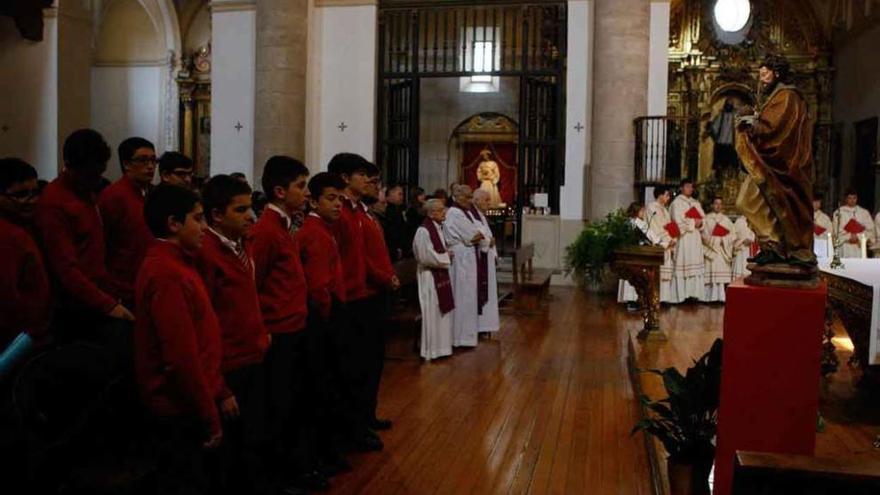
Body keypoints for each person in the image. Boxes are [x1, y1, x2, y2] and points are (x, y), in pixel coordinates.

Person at [135, 184, 228, 493]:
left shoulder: (178, 262)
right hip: (178, 406)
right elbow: (180, 356)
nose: (205, 227)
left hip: (190, 400)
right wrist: (207, 412)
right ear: (174, 224)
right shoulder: (166, 272)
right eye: (198, 219)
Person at [251, 157, 333, 491]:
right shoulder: (267, 230)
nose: (305, 192)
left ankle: (298, 467)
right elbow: (255, 285)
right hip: (279, 333)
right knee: (281, 406)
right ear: (279, 191)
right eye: (301, 186)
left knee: (296, 401)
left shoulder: (284, 225)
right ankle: (282, 475)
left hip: (295, 326)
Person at [196, 175, 272, 493]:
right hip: (228, 365)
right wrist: (220, 387)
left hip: (253, 354)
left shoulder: (244, 243)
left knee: (252, 441)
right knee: (229, 454)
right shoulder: (206, 254)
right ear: (216, 215)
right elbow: (205, 325)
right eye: (241, 210)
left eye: (251, 208)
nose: (251, 216)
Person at [35, 129, 133, 341]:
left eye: (100, 172)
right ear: (71, 166)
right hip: (76, 307)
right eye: (91, 174)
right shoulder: (54, 203)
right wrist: (107, 305)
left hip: (99, 295)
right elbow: (66, 269)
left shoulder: (88, 192)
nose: (98, 179)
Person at [295, 172, 364, 465]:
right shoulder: (313, 232)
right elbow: (318, 285)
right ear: (313, 200)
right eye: (331, 198)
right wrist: (328, 316)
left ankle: (331, 447)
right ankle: (323, 452)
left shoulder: (324, 229)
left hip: (331, 313)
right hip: (323, 320)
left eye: (340, 198)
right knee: (323, 388)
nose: (338, 204)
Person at [326, 153, 385, 452]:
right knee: (353, 369)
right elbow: (347, 258)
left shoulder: (359, 211)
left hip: (367, 294)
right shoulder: (342, 213)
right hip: (351, 298)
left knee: (369, 365)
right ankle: (354, 428)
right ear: (346, 178)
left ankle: (363, 419)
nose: (369, 181)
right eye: (362, 175)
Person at [735, 54, 815, 270]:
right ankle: (772, 245)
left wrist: (752, 124)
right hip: (769, 163)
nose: (762, 73)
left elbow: (775, 130)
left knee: (747, 201)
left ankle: (776, 246)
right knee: (749, 202)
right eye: (761, 69)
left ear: (777, 73)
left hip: (782, 165)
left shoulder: (787, 96)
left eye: (767, 69)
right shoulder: (775, 97)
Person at [0, 158, 51, 377]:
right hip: (17, 344)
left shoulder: (25, 226)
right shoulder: (9, 237)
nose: (31, 201)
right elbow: (8, 299)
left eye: (35, 192)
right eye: (21, 195)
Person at [98, 137, 156, 309]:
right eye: (143, 160)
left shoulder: (150, 194)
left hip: (145, 282)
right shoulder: (113, 196)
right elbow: (103, 243)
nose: (151, 166)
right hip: (122, 287)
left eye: (153, 160)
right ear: (127, 164)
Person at [362, 166, 399, 432]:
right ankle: (358, 422)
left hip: (376, 293)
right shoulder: (354, 217)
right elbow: (359, 258)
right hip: (362, 296)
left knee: (373, 365)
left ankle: (367, 415)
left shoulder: (367, 216)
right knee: (362, 367)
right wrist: (385, 277)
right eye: (372, 182)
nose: (378, 189)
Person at [443, 184, 485, 347]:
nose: (470, 201)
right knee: (462, 296)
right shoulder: (455, 213)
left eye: (470, 197)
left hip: (466, 256)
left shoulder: (462, 212)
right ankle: (460, 337)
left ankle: (466, 336)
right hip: (461, 258)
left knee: (467, 297)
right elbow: (474, 235)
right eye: (467, 197)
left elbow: (477, 235)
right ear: (457, 197)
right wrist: (475, 235)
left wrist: (476, 235)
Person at [413, 199, 455, 360]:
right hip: (429, 276)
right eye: (440, 210)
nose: (444, 212)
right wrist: (446, 256)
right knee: (432, 311)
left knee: (440, 312)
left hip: (439, 273)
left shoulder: (437, 227)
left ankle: (442, 348)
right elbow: (425, 256)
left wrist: (445, 253)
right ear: (431, 213)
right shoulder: (424, 231)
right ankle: (431, 350)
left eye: (443, 209)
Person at [617, 201, 662, 307]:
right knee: (637, 277)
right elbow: (651, 236)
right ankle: (636, 300)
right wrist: (659, 242)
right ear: (636, 211)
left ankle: (630, 300)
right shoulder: (638, 223)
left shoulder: (627, 222)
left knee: (630, 275)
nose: (643, 212)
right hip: (638, 254)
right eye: (642, 210)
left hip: (629, 253)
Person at [669, 178, 706, 303]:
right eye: (687, 186)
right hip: (684, 238)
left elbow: (703, 219)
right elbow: (676, 222)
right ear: (681, 187)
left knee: (695, 265)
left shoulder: (696, 203)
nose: (690, 189)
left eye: (691, 187)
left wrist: (701, 223)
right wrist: (692, 222)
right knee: (683, 263)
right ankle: (681, 296)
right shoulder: (676, 203)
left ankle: (694, 294)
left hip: (695, 238)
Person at [471, 189, 500, 334]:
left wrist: (491, 242)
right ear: (476, 200)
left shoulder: (481, 216)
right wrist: (490, 241)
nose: (489, 203)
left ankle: (486, 325)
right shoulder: (472, 216)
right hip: (480, 258)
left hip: (487, 258)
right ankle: (481, 325)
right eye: (486, 200)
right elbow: (477, 236)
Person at [646, 186, 677, 304]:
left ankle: (663, 298)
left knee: (665, 273)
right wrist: (666, 240)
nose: (668, 198)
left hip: (668, 244)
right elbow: (653, 227)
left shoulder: (665, 209)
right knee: (657, 273)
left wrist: (674, 238)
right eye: (667, 195)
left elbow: (671, 226)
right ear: (660, 195)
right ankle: (654, 298)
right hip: (660, 244)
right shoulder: (651, 208)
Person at [701, 197, 735, 302]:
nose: (718, 206)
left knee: (720, 274)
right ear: (712, 205)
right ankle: (708, 297)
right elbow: (703, 235)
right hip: (712, 250)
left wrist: (723, 240)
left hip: (722, 250)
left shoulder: (727, 220)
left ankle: (721, 297)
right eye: (716, 203)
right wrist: (715, 241)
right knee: (711, 273)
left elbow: (733, 235)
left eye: (720, 204)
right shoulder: (706, 219)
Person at [833, 190, 875, 259]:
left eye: (854, 198)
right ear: (846, 199)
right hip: (845, 245)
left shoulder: (864, 212)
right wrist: (849, 236)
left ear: (857, 198)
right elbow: (836, 229)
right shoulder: (839, 212)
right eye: (850, 198)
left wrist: (858, 236)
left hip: (859, 245)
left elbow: (870, 229)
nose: (852, 200)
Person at [384, 184, 409, 261]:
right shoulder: (389, 212)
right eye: (399, 194)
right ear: (390, 195)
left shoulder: (399, 210)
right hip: (393, 249)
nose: (402, 197)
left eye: (402, 194)